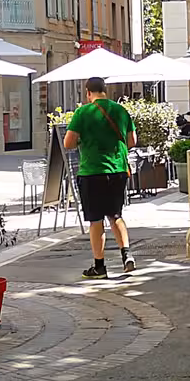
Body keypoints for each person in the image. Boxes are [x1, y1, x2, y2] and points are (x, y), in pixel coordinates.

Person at [65, 76, 137, 277]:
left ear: (88, 93)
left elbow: (68, 143)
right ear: (105, 90)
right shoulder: (121, 111)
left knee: (96, 220)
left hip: (92, 172)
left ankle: (99, 266)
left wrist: (86, 143)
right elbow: (132, 141)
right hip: (118, 170)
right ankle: (127, 255)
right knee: (116, 215)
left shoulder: (83, 112)